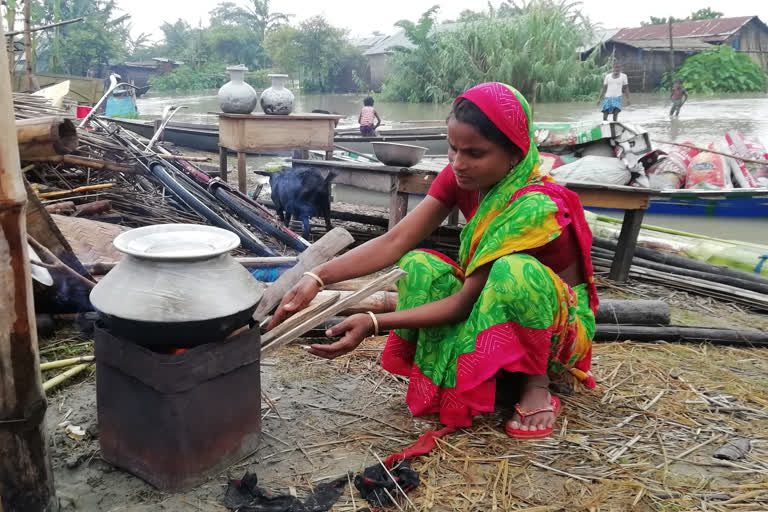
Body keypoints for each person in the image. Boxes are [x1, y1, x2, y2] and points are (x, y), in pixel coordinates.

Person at [268, 83, 598, 439]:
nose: (458, 163)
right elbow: (395, 240)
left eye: (475, 153)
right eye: (453, 148)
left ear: (515, 153)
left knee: (513, 272)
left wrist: (374, 321)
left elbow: (462, 304)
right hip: (493, 306)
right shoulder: (461, 178)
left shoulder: (536, 206)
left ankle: (536, 384)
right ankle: (480, 373)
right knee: (420, 264)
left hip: (556, 331)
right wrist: (317, 276)